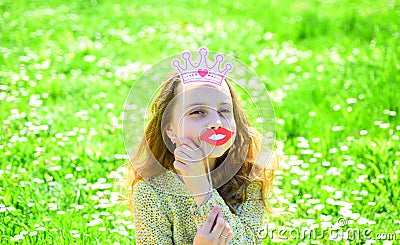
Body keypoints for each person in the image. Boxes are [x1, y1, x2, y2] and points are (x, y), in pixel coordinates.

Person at [124, 49, 279, 244]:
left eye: (224, 110)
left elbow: (248, 242)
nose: (216, 122)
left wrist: (203, 190)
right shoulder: (152, 192)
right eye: (197, 112)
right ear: (169, 129)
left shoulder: (247, 177)